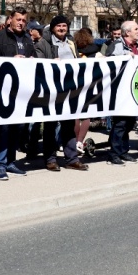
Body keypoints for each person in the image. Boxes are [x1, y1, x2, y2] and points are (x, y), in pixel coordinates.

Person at [0, 7, 35, 179]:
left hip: (20, 92)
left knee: (16, 128)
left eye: (24, 20)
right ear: (9, 20)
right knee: (2, 128)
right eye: (18, 19)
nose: (21, 23)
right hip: (1, 91)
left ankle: (11, 161)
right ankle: (0, 164)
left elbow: (33, 58)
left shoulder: (27, 39)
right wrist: (10, 60)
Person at [32, 15, 86, 171]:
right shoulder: (43, 43)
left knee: (69, 126)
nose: (62, 28)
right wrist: (50, 63)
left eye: (64, 25)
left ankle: (71, 158)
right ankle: (50, 159)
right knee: (50, 126)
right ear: (53, 28)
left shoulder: (71, 43)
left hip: (69, 90)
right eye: (59, 26)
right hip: (52, 91)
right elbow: (38, 64)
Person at [107, 20, 138, 165]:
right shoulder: (117, 45)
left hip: (133, 90)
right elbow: (108, 62)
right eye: (136, 29)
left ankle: (123, 151)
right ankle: (114, 153)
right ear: (127, 32)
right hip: (120, 90)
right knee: (121, 123)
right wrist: (123, 57)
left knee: (129, 122)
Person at [72, 27, 100, 159]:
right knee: (86, 116)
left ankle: (74, 140)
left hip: (75, 86)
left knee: (76, 115)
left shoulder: (74, 52)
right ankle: (80, 141)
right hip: (90, 86)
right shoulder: (96, 52)